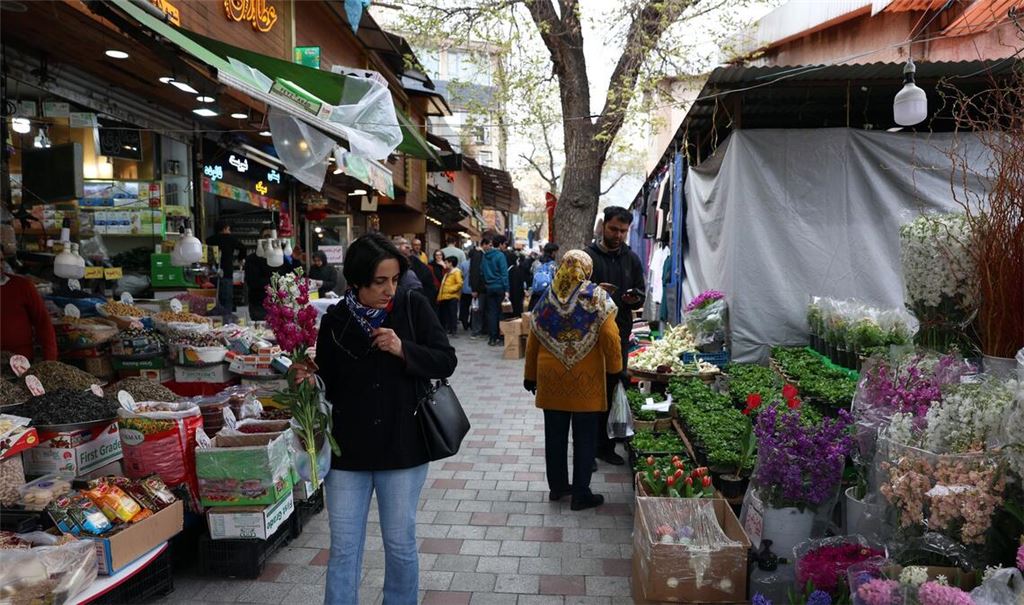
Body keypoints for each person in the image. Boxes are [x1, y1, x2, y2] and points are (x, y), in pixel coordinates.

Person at [308, 233, 457, 605]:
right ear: (357, 281)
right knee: (343, 548)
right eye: (379, 282)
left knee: (400, 544)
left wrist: (403, 348)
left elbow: (445, 359)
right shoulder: (335, 320)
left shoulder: (411, 306)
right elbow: (328, 382)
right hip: (347, 453)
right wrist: (308, 376)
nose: (389, 289)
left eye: (394, 279)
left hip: (402, 446)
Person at [524, 250, 621, 511]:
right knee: (585, 438)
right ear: (586, 269)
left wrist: (530, 375)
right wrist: (615, 369)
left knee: (554, 437)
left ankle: (558, 488)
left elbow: (533, 339)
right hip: (585, 383)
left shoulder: (546, 298)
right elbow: (611, 336)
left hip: (550, 380)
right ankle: (581, 493)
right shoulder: (597, 297)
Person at [586, 206, 646, 466]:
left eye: (623, 231)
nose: (618, 235)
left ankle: (606, 446)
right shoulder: (588, 257)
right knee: (589, 390)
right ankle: (586, 448)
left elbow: (640, 294)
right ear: (603, 226)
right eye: (614, 229)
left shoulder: (631, 259)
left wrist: (634, 298)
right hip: (588, 335)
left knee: (613, 385)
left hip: (619, 334)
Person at [0, 251, 57, 361]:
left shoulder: (22, 286)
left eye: (1, 260)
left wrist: (50, 360)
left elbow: (43, 323)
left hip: (20, 362)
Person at [244, 227, 296, 321]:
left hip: (281, 304)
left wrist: (295, 259)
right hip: (260, 305)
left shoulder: (283, 258)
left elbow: (292, 276)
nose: (270, 240)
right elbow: (253, 282)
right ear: (260, 240)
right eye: (267, 237)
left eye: (272, 237)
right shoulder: (252, 259)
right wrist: (277, 280)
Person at [206, 219, 247, 311]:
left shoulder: (209, 240)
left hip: (212, 273)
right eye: (228, 229)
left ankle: (215, 318)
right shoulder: (230, 238)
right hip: (227, 272)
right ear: (225, 228)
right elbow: (243, 247)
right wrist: (240, 259)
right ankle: (226, 319)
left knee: (213, 298)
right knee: (227, 299)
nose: (229, 231)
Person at [393, 236, 438, 309]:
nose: (408, 246)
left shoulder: (415, 263)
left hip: (418, 300)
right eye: (402, 244)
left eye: (407, 244)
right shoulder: (392, 263)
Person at [481, 235, 509, 346]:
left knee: (492, 313)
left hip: (489, 287)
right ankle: (501, 337)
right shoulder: (500, 256)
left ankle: (492, 338)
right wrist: (507, 289)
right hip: (500, 287)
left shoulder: (485, 256)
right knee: (501, 312)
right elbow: (504, 273)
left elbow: (481, 272)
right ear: (500, 244)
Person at [436, 256, 463, 336]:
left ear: (451, 263)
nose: (445, 264)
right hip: (445, 296)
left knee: (452, 314)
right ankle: (449, 329)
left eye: (446, 262)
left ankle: (453, 330)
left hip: (452, 296)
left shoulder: (456, 272)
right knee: (447, 314)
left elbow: (459, 283)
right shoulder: (448, 272)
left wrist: (450, 290)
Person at [529, 242, 559, 311]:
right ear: (553, 252)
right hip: (547, 296)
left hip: (535, 295)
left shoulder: (536, 263)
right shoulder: (553, 265)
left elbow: (532, 273)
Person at [457, 255, 473, 331]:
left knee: (464, 307)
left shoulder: (463, 264)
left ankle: (464, 322)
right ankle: (472, 323)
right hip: (474, 289)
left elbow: (460, 275)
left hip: (465, 289)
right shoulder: (478, 263)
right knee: (474, 307)